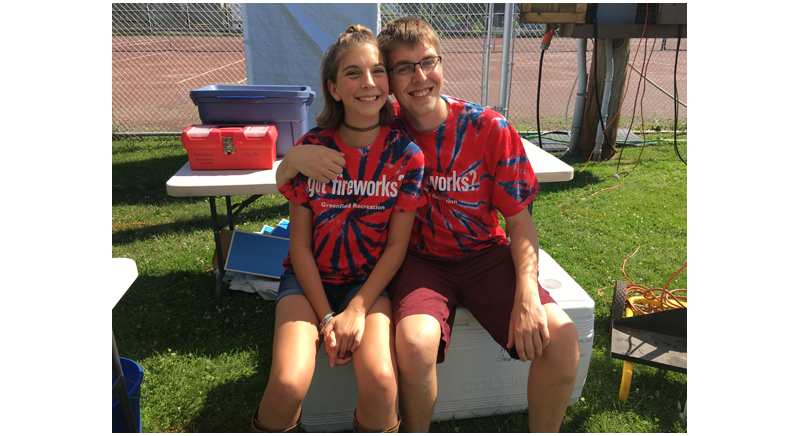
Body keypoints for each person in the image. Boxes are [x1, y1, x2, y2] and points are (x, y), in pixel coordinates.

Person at [276, 17, 580, 433]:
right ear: (391, 82)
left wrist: (527, 292)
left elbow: (520, 225)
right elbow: (317, 157)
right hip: (420, 262)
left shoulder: (489, 128)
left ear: (441, 63)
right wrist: (291, 160)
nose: (419, 77)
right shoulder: (383, 126)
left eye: (428, 62)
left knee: (562, 340)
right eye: (403, 67)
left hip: (485, 255)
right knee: (416, 344)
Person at [252, 24, 426, 433]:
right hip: (307, 281)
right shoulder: (314, 151)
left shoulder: (407, 156)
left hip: (368, 287)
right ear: (332, 87)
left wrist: (357, 309)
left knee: (383, 385)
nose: (368, 83)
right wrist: (329, 317)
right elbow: (300, 247)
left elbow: (397, 247)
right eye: (353, 73)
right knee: (286, 384)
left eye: (378, 71)